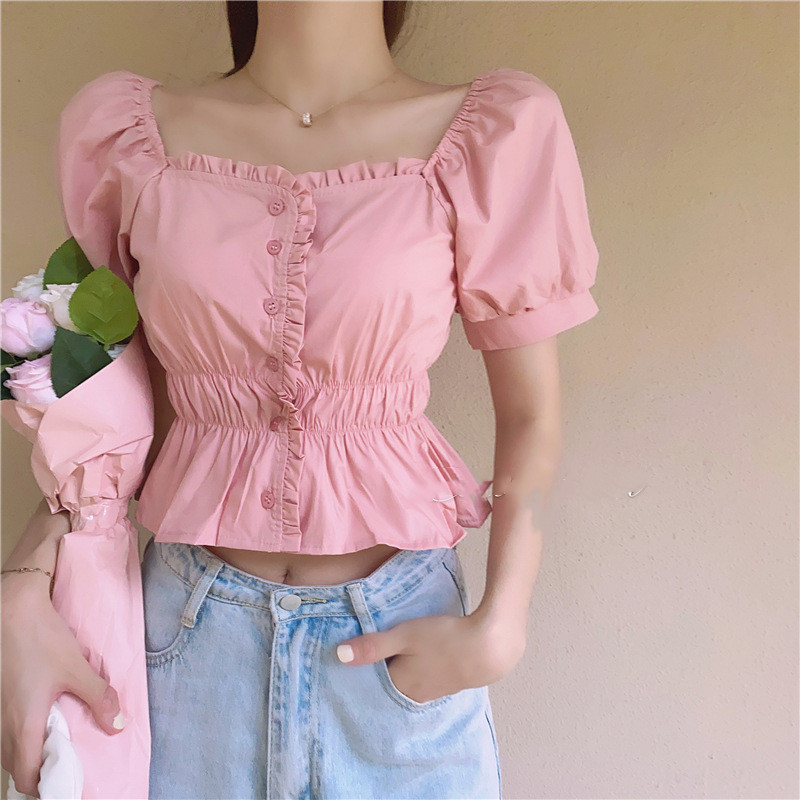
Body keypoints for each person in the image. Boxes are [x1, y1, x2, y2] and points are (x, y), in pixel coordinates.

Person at [1, 1, 601, 797]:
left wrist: (502, 625)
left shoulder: (491, 135)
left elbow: (531, 416)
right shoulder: (130, 139)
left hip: (399, 647)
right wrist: (20, 586)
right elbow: (107, 414)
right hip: (184, 647)